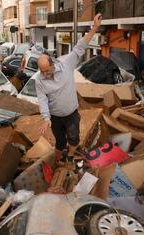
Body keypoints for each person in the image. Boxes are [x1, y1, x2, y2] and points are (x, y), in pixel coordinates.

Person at [35, 13, 103, 161]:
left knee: (74, 139)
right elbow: (42, 100)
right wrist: (46, 118)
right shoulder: (39, 80)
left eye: (47, 70)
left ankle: (71, 155)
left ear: (53, 63)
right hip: (55, 117)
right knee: (60, 142)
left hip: (71, 114)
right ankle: (59, 161)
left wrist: (95, 28)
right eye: (42, 71)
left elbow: (79, 47)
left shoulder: (66, 64)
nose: (45, 74)